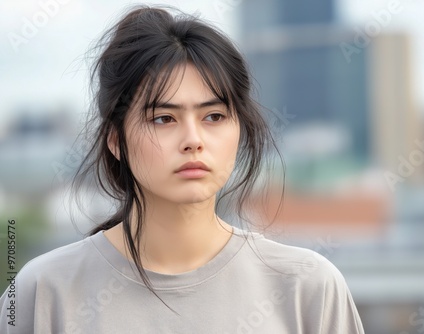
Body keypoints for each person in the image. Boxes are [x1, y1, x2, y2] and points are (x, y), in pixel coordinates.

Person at [0, 5, 364, 333]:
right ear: (115, 139)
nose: (193, 139)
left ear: (239, 130)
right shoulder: (43, 292)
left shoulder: (307, 287)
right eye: (163, 118)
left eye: (214, 116)